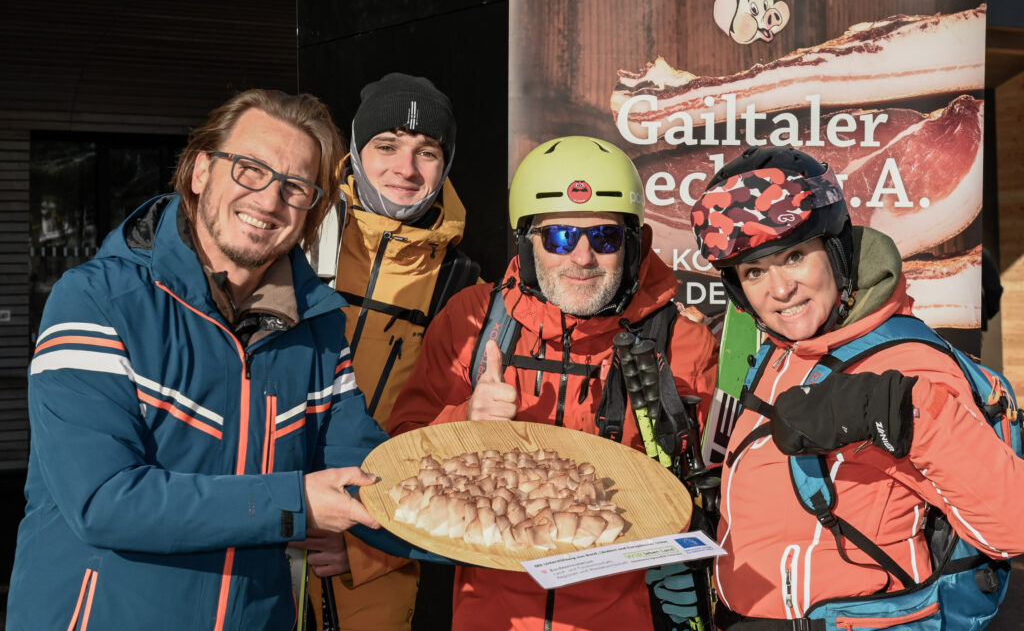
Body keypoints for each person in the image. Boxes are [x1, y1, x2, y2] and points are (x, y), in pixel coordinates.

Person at [7, 89, 439, 631]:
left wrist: (515, 527)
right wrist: (295, 502)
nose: (269, 200)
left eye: (296, 187)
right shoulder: (98, 301)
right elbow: (103, 501)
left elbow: (376, 480)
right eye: (250, 169)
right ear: (199, 171)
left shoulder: (318, 330)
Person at [681, 145, 1024, 628]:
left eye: (794, 256)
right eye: (754, 271)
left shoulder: (910, 361)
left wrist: (898, 409)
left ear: (836, 250)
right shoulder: (783, 352)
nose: (779, 290)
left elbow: (1013, 524)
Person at [386, 135, 719, 631]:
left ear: (634, 243)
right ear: (526, 241)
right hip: (492, 617)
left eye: (605, 237)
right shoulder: (473, 322)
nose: (582, 258)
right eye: (559, 237)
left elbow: (721, 488)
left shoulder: (682, 344)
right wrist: (465, 420)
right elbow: (398, 461)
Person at [304, 72, 479, 631]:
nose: (406, 168)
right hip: (268, 528)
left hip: (375, 548)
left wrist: (369, 550)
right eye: (386, 145)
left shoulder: (463, 286)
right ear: (356, 149)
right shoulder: (297, 234)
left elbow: (445, 451)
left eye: (427, 151)